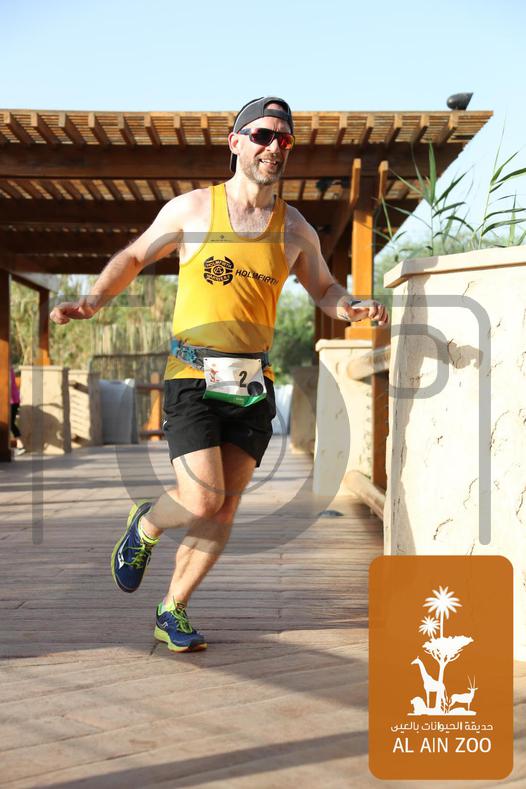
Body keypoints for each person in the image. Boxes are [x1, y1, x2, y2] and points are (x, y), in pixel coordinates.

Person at [50, 96, 389, 653]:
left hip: (251, 381)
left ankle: (173, 609)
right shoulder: (192, 211)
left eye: (284, 139)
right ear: (235, 142)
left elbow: (325, 288)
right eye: (262, 135)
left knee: (225, 504)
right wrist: (92, 300)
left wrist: (349, 306)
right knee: (203, 498)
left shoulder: (295, 228)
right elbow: (134, 257)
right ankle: (147, 523)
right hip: (191, 372)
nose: (274, 147)